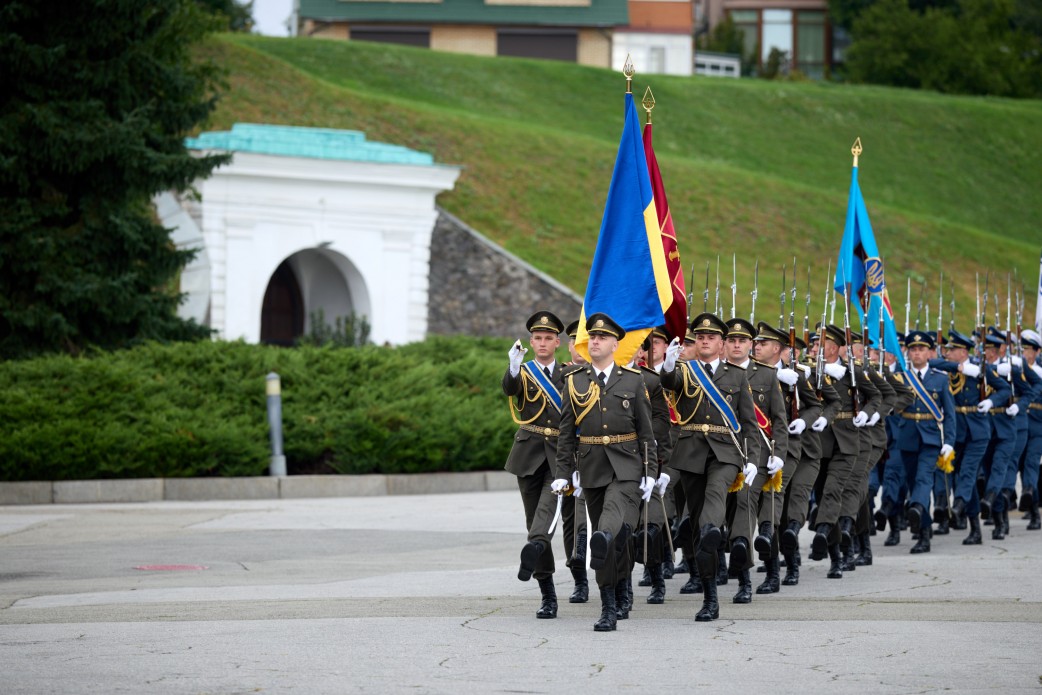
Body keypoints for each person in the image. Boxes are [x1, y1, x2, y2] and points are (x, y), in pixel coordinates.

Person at [554, 313, 655, 632]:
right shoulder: (575, 380)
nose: (594, 341)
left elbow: (646, 431)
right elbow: (566, 431)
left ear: (615, 344)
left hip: (626, 467)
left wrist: (651, 471)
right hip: (591, 467)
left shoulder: (632, 380)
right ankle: (616, 594)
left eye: (601, 338)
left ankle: (608, 610)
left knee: (606, 531)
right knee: (609, 542)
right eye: (591, 337)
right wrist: (563, 472)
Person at [659, 312, 760, 622]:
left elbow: (749, 423)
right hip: (690, 453)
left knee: (714, 501)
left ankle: (712, 529)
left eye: (712, 337)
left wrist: (754, 458)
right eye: (700, 336)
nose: (704, 340)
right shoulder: (684, 371)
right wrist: (667, 364)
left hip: (725, 453)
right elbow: (669, 382)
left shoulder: (736, 376)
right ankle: (710, 598)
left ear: (721, 344)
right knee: (697, 523)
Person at [503, 311, 578, 618]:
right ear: (531, 342)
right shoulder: (523, 371)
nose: (543, 342)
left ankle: (535, 547)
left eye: (549, 338)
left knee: (544, 520)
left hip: (559, 456)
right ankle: (547, 593)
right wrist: (513, 365)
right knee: (534, 520)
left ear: (557, 342)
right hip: (528, 455)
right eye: (538, 338)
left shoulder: (569, 374)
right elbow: (510, 389)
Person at [722, 317, 787, 604]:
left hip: (758, 455)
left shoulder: (766, 375)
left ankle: (747, 579)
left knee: (746, 501)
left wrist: (780, 456)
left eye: (743, 341)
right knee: (726, 512)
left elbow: (780, 421)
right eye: (732, 340)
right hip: (724, 453)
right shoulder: (715, 374)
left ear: (750, 345)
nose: (737, 345)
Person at [927, 329, 1010, 544]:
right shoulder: (952, 368)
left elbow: (1005, 390)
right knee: (964, 479)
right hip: (957, 431)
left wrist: (991, 402)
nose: (947, 352)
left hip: (978, 431)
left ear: (963, 351)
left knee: (968, 472)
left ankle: (959, 505)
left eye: (952, 350)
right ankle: (975, 528)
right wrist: (959, 367)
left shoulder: (981, 369)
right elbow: (932, 364)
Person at [812, 324, 881, 577]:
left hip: (849, 440)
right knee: (822, 497)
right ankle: (836, 553)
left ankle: (832, 547)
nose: (814, 348)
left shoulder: (852, 372)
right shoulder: (810, 371)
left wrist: (866, 413)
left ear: (833, 347)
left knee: (835, 492)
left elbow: (876, 397)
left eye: (820, 344)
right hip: (820, 442)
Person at [893, 331, 957, 554]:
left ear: (930, 353)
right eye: (913, 349)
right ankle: (924, 530)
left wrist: (949, 441)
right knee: (913, 482)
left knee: (923, 479)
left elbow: (949, 413)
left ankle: (916, 509)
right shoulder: (901, 377)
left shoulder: (940, 378)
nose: (917, 353)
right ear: (908, 352)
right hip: (908, 437)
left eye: (921, 349)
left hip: (931, 439)